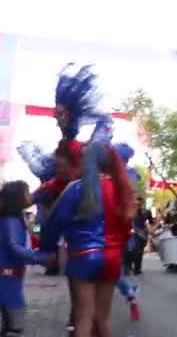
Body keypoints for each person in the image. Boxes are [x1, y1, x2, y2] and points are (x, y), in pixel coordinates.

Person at [40, 142, 135, 337]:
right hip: (112, 257)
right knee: (103, 320)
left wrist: (47, 250)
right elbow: (126, 230)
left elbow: (54, 224)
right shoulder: (120, 189)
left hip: (84, 256)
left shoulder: (76, 189)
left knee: (84, 318)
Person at [0, 181, 54, 336]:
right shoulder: (10, 220)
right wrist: (41, 258)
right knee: (14, 322)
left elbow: (36, 235)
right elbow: (14, 247)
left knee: (10, 320)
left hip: (11, 274)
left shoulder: (25, 217)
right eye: (26, 192)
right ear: (17, 197)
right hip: (7, 274)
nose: (30, 195)